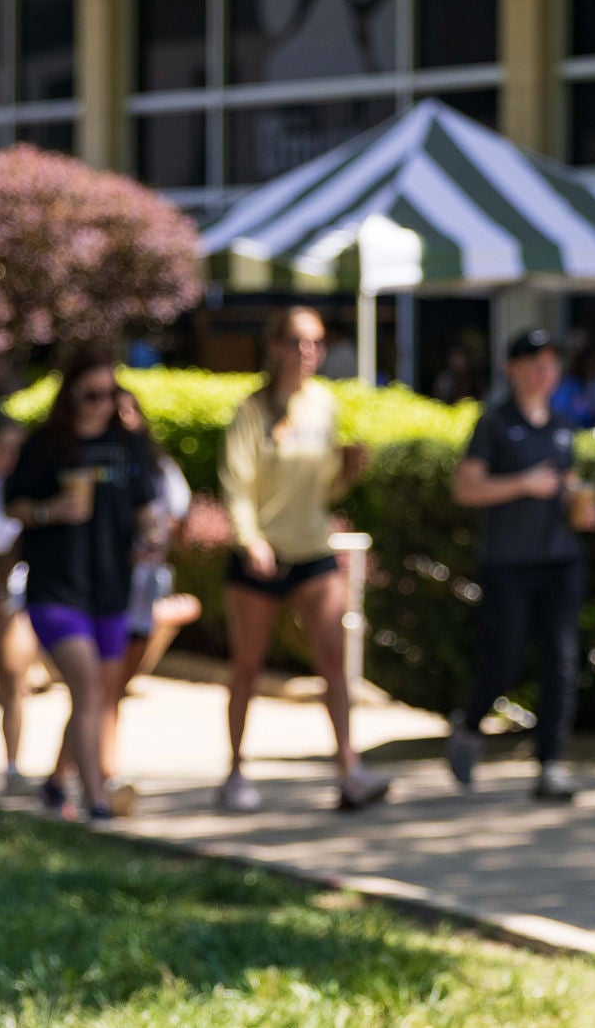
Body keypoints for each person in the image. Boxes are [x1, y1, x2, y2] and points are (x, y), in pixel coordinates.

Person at [219, 306, 388, 812]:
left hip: (313, 548)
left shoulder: (324, 405)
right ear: (274, 346)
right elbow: (236, 483)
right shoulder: (251, 411)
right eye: (296, 341)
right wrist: (250, 540)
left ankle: (348, 771)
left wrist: (348, 472)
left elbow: (323, 491)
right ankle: (234, 771)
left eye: (315, 342)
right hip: (261, 556)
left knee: (334, 662)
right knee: (247, 667)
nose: (306, 351)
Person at [1, 352, 165, 822]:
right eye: (92, 395)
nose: (102, 405)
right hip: (55, 588)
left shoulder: (126, 447)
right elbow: (14, 505)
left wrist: (152, 539)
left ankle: (55, 783)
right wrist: (51, 511)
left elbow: (145, 510)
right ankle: (96, 800)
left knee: (94, 696)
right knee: (88, 687)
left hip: (110, 586)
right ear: (70, 395)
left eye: (110, 395)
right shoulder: (45, 446)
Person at [447, 328, 595, 801]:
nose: (544, 371)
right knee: (505, 660)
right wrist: (523, 484)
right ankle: (469, 726)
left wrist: (585, 509)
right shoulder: (494, 424)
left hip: (559, 561)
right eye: (535, 362)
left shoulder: (561, 426)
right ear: (512, 368)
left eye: (552, 363)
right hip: (509, 563)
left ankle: (550, 765)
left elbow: (569, 485)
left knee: (560, 662)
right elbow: (466, 489)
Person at [115, 389, 201, 732]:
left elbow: (176, 517)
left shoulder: (157, 467)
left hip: (144, 581)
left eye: (129, 410)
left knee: (117, 682)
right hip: (104, 585)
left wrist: (153, 541)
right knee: (100, 681)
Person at [0, 406, 37, 795]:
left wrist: (0, 587)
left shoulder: (20, 488)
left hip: (10, 592)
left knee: (14, 679)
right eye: (4, 447)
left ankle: (13, 766)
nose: (10, 457)